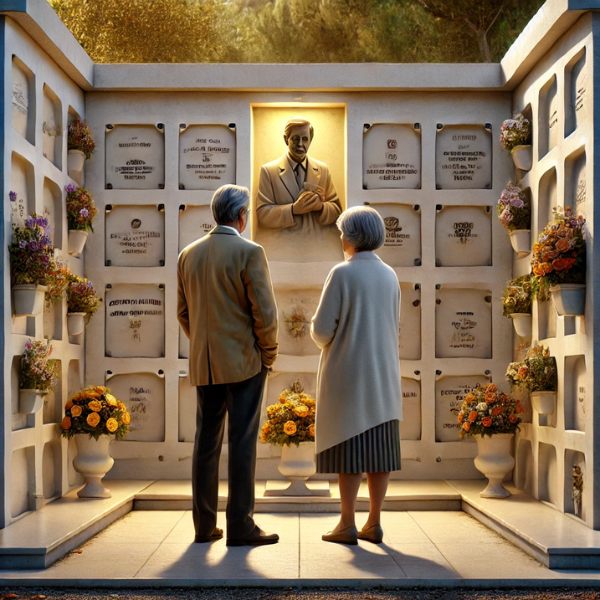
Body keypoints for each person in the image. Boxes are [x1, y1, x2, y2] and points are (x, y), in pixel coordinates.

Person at [177, 184, 279, 547]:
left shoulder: (188, 254)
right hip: (244, 363)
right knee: (242, 442)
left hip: (205, 364)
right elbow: (264, 313)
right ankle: (240, 525)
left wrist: (205, 345)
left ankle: (204, 527)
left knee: (206, 443)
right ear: (241, 216)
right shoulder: (250, 251)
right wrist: (268, 354)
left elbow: (183, 312)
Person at [310, 206, 403, 545]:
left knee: (348, 448)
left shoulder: (342, 273)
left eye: (341, 233)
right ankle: (374, 522)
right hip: (384, 373)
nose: (340, 239)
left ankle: (346, 523)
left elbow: (322, 331)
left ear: (350, 237)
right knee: (379, 450)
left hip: (348, 374)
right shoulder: (390, 275)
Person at [256, 116, 342, 235]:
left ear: (310, 140)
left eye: (305, 139)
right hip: (283, 243)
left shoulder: (322, 169)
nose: (301, 144)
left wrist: (321, 207)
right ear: (286, 139)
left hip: (316, 243)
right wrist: (292, 210)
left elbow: (337, 211)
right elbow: (262, 214)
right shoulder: (269, 171)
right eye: (296, 139)